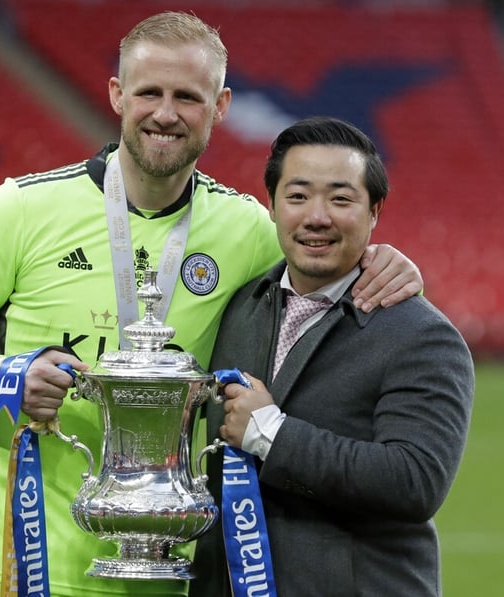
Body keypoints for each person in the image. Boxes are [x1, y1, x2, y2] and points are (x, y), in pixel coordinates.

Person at [0, 12, 424, 597]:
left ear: (219, 107)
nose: (166, 114)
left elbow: (324, 253)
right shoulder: (20, 210)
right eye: (150, 92)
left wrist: (387, 259)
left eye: (187, 97)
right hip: (14, 564)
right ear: (118, 95)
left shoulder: (246, 230)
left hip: (159, 569)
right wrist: (6, 373)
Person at [191, 116, 474, 597]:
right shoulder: (239, 308)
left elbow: (415, 481)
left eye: (341, 199)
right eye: (297, 196)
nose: (316, 216)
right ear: (273, 206)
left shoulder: (423, 338)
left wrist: (270, 433)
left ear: (374, 211)